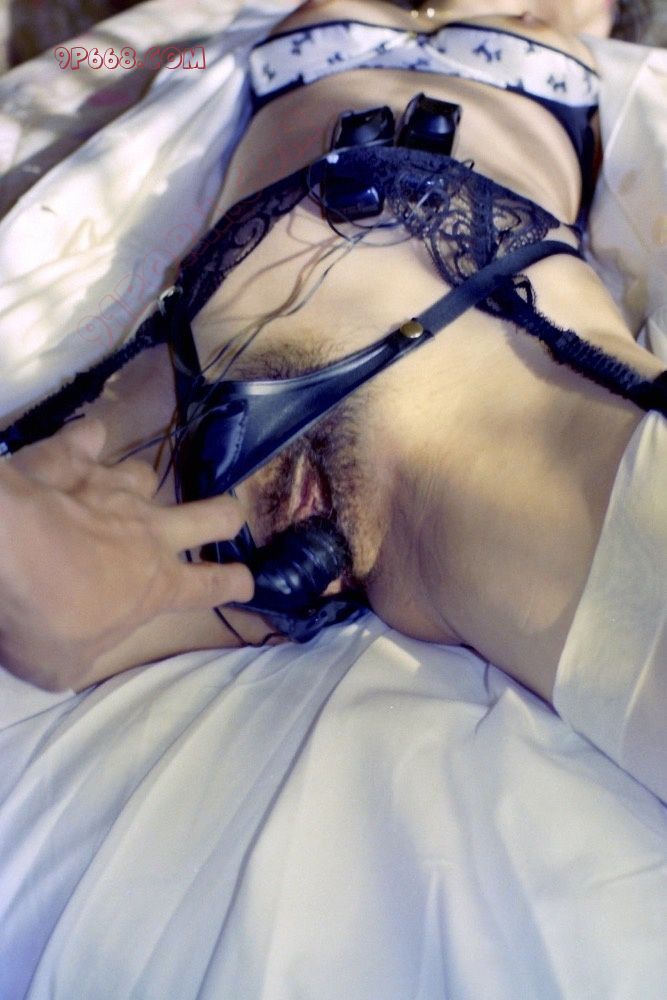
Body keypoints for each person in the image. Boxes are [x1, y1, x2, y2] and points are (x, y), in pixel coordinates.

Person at [1, 0, 665, 798]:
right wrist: (148, 53)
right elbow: (124, 64)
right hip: (200, 385)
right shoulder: (261, 14)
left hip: (493, 386)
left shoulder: (581, 32)